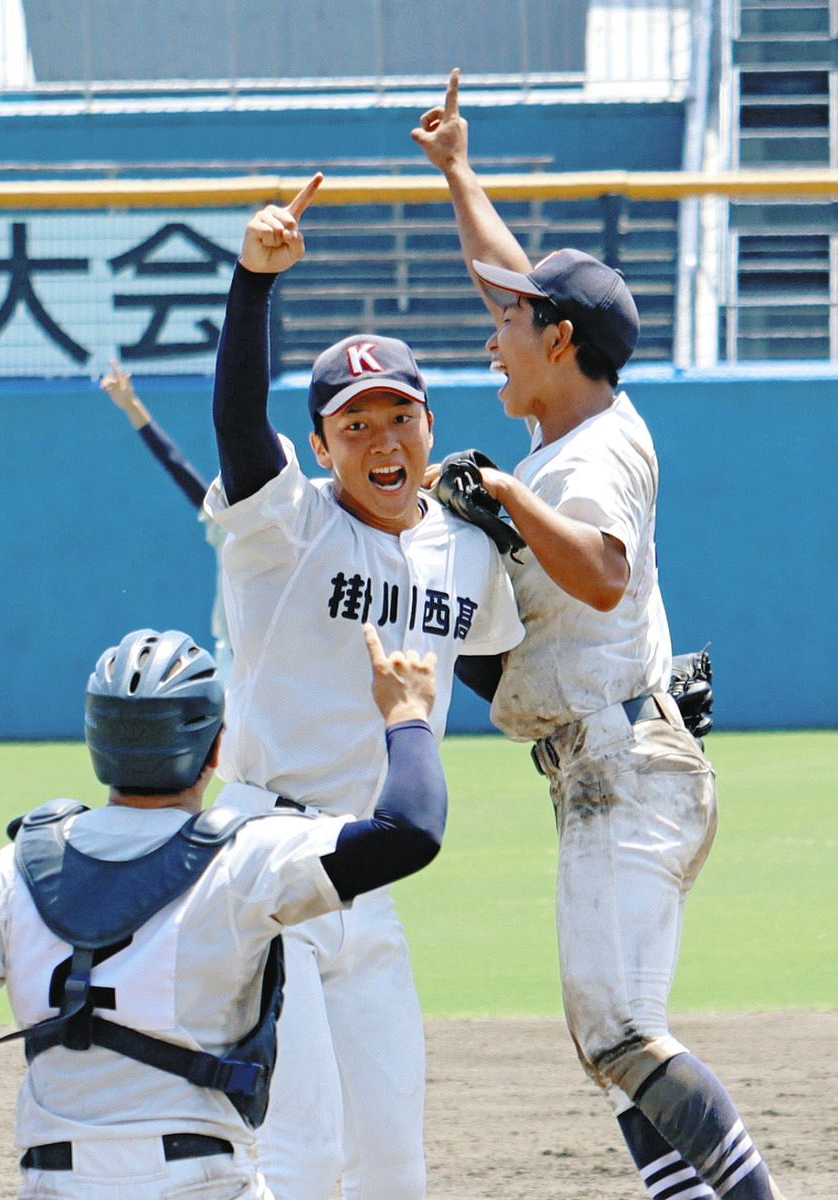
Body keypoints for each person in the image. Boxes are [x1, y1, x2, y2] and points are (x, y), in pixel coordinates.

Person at [412, 69, 787, 1200]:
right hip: (614, 763)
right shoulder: (578, 425)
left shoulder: (591, 457)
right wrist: (457, 171)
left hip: (625, 770)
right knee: (615, 1049)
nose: (493, 333)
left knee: (618, 1032)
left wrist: (505, 499)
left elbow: (606, 570)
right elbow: (504, 278)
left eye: (514, 321)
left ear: (560, 338)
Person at [203, 175, 524, 1200]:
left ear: (429, 423)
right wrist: (251, 285)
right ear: (321, 446)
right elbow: (238, 426)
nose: (380, 441)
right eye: (353, 425)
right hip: (262, 854)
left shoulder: (466, 550)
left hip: (367, 866)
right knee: (299, 1153)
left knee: (389, 1158)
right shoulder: (284, 527)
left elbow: (501, 677)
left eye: (397, 417)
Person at [0, 621, 448, 1200]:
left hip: (54, 1183)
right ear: (217, 749)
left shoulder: (13, 868)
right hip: (201, 1182)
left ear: (97, 741)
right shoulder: (247, 856)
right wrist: (407, 714)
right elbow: (409, 832)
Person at [99, 361, 231, 681]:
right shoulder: (225, 520)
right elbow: (176, 464)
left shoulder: (292, 522)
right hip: (232, 656)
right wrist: (132, 406)